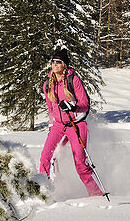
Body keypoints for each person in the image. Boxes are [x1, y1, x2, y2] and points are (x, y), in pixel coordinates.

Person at [39, 47, 103, 197]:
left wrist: (73, 106)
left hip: (76, 125)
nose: (55, 65)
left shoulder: (73, 80)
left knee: (80, 164)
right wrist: (51, 124)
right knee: (45, 158)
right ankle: (44, 193)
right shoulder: (48, 84)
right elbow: (50, 107)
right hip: (58, 126)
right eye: (53, 62)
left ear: (64, 65)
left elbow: (85, 104)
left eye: (58, 62)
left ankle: (96, 194)